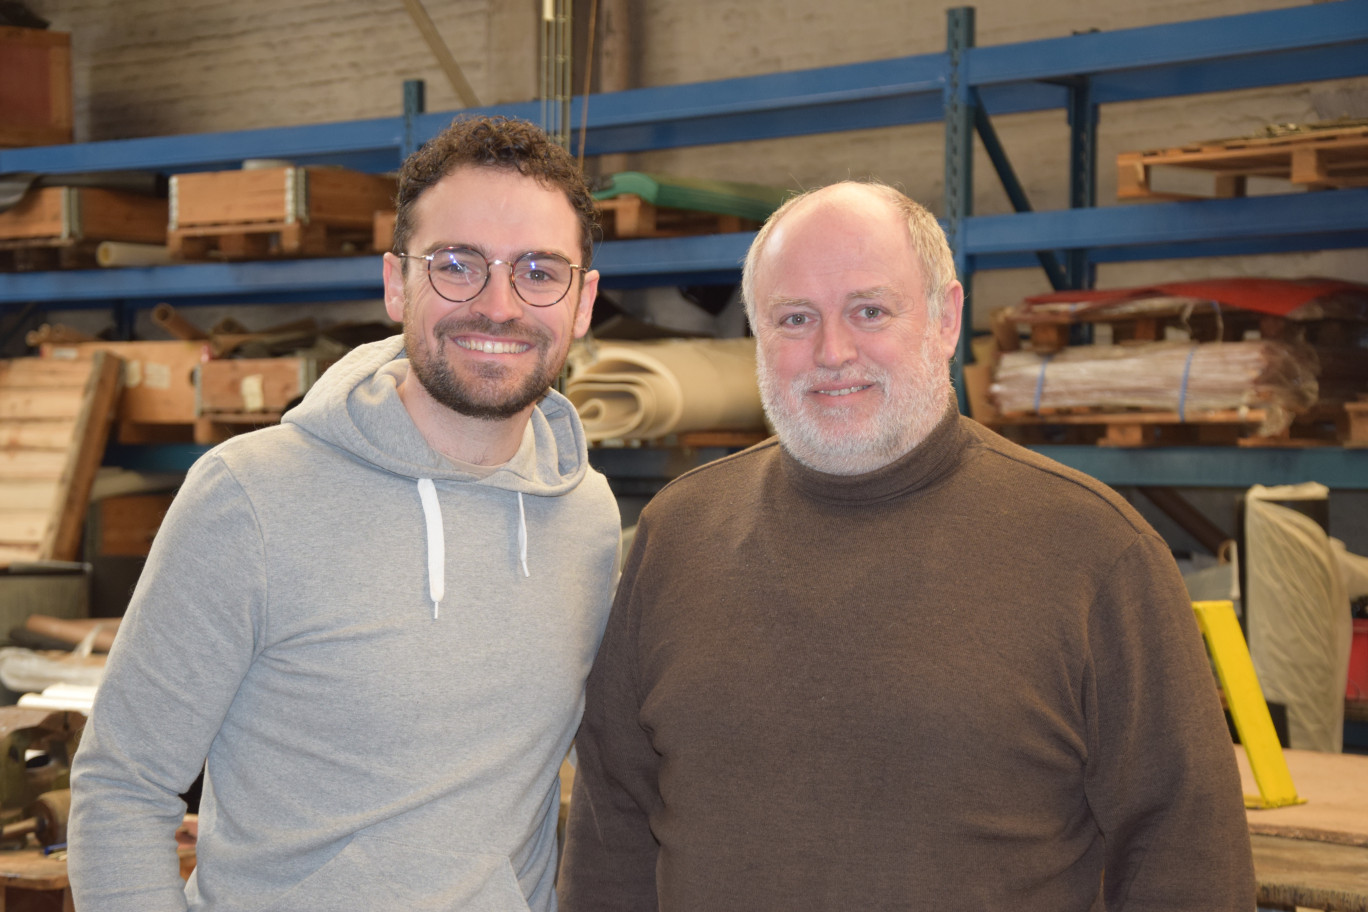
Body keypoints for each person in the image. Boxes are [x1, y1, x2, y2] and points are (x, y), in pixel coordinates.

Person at [559, 180, 1255, 911]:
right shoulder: (679, 534)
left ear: (946, 318)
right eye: (795, 318)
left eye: (870, 311)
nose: (833, 352)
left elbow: (1187, 856)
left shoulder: (1095, 552)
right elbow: (613, 832)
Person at [68, 115, 622, 912]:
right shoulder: (250, 498)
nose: (498, 305)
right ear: (397, 283)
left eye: (539, 270)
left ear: (582, 303)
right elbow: (122, 788)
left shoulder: (588, 516)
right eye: (457, 264)